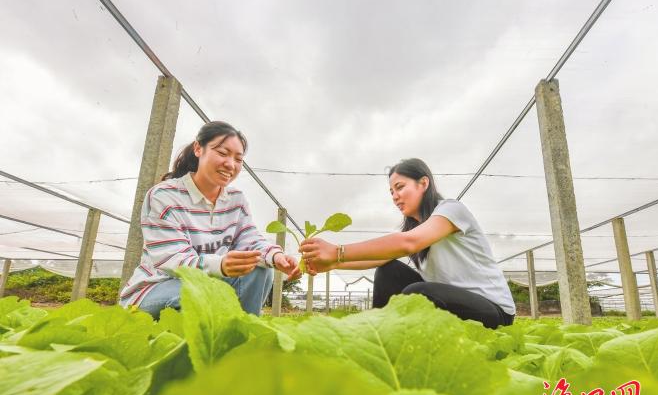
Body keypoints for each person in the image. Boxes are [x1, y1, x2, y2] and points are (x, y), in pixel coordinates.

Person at [300, 158, 515, 329]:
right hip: (454, 302)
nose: (394, 196)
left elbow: (409, 243)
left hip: (494, 311)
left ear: (423, 183)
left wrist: (337, 252)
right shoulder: (414, 229)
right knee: (388, 270)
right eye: (391, 192)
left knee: (418, 293)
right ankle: (381, 336)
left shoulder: (451, 210)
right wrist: (332, 264)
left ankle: (396, 337)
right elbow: (380, 256)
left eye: (400, 187)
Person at [119, 121, 300, 318]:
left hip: (209, 284)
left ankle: (240, 337)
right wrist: (221, 265)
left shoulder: (236, 200)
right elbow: (172, 259)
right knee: (200, 294)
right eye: (222, 153)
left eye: (238, 159)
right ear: (198, 148)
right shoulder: (165, 195)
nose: (230, 164)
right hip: (156, 288)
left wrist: (275, 256)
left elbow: (250, 240)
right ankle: (198, 339)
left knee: (261, 269)